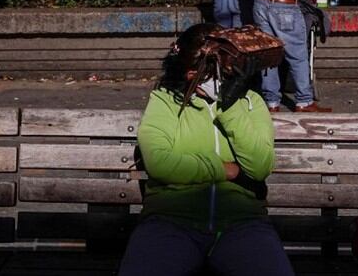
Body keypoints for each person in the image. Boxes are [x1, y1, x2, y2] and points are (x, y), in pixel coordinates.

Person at [118, 23, 294, 276]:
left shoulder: (251, 102)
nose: (198, 78)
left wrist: (231, 106)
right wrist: (226, 171)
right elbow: (159, 163)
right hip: (170, 222)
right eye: (194, 71)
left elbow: (259, 167)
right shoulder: (165, 100)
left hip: (242, 223)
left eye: (208, 71)